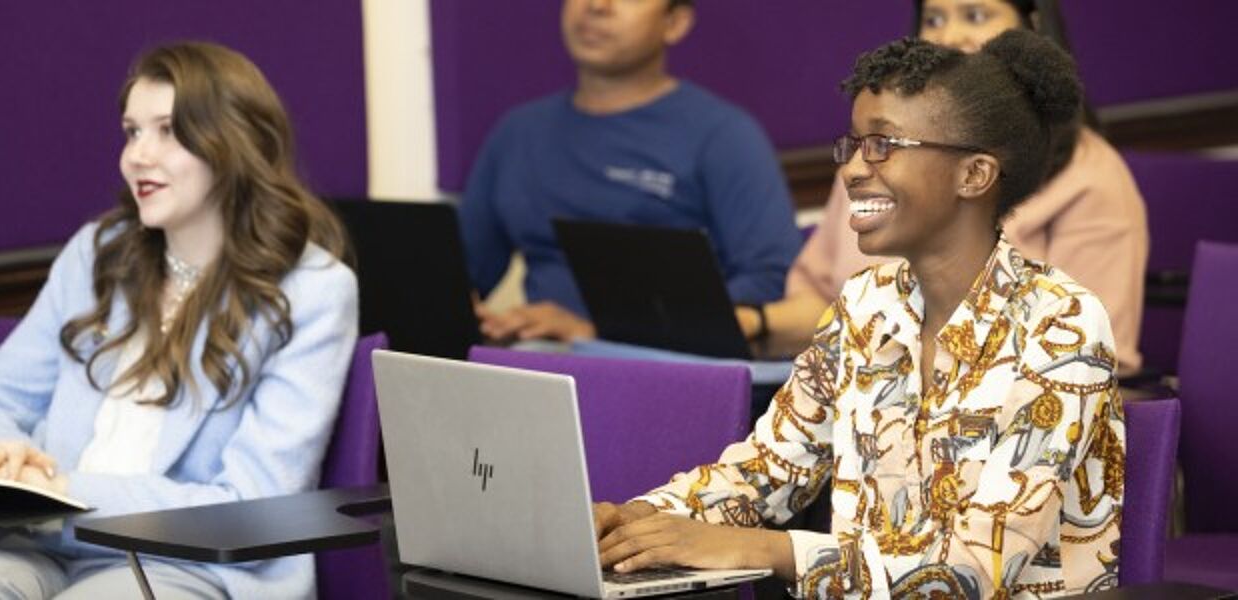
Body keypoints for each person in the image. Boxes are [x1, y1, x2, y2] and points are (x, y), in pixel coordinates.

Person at [595, 31, 1125, 598]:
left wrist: (765, 550)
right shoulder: (864, 306)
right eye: (852, 144)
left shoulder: (1061, 324)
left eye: (883, 144)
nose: (851, 169)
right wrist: (635, 522)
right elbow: (765, 471)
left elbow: (973, 569)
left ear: (973, 175)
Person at [0, 42, 358, 599]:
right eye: (132, 132)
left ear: (235, 145)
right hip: (45, 545)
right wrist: (4, 457)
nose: (137, 156)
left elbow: (253, 501)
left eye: (168, 131)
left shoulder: (314, 291)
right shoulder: (97, 252)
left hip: (195, 564)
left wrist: (63, 493)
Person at [740, 0, 1148, 375]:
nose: (949, 37)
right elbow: (829, 309)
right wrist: (753, 323)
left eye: (975, 15)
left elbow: (1092, 356)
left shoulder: (1091, 178)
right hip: (856, 395)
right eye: (934, 19)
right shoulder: (870, 163)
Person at [461, 0, 802, 342]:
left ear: (675, 23)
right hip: (538, 362)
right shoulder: (518, 133)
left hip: (666, 369)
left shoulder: (724, 136)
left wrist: (596, 335)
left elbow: (769, 279)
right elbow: (462, 274)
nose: (596, 6)